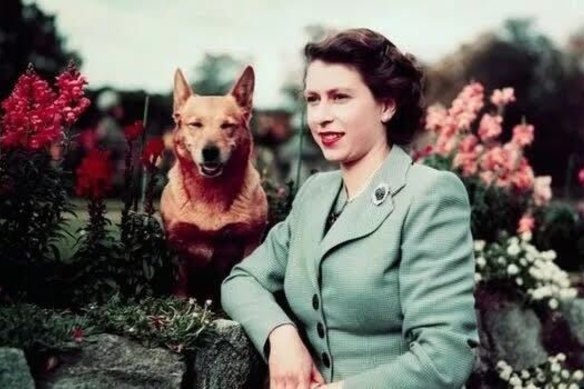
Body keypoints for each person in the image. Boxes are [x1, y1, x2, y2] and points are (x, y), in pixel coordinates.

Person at [221, 28, 479, 389]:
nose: (321, 116)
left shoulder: (430, 194)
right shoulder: (315, 194)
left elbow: (446, 357)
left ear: (386, 105)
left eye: (340, 97)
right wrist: (281, 336)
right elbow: (242, 281)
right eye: (313, 99)